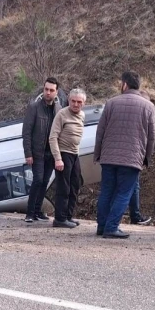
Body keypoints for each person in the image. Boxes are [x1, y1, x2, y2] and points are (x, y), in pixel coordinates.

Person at [93, 71, 155, 239]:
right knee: (123, 193)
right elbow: (151, 137)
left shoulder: (111, 103)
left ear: (125, 84)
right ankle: (111, 227)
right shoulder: (149, 107)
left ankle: (102, 226)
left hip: (108, 157)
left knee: (106, 191)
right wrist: (146, 158)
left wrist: (97, 154)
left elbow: (100, 132)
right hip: (132, 158)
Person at [22, 77, 65, 223]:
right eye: (46, 89)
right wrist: (28, 153)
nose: (48, 92)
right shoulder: (34, 107)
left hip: (51, 153)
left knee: (45, 181)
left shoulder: (59, 110)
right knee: (38, 180)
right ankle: (29, 212)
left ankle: (37, 211)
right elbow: (26, 131)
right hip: (37, 152)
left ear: (56, 92)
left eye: (51, 90)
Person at [48, 87, 86, 228]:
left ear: (83, 103)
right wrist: (58, 158)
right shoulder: (62, 114)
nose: (76, 104)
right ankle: (60, 218)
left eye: (79, 102)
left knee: (75, 184)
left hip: (74, 154)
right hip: (63, 154)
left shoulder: (82, 115)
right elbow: (53, 137)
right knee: (63, 187)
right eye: (73, 101)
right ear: (68, 100)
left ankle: (68, 216)